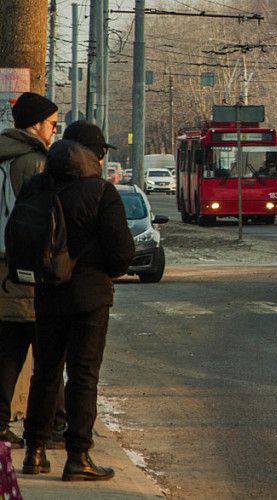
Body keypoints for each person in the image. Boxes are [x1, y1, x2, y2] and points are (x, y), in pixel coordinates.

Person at [21, 121, 134, 481]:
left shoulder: (36, 185)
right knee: (83, 376)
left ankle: (35, 453)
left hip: (46, 293)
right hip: (89, 297)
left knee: (45, 372)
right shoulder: (101, 192)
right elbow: (122, 254)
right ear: (93, 154)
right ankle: (78, 457)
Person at [0, 92, 67, 450]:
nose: (53, 132)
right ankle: (53, 427)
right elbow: (43, 223)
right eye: (52, 125)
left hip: (3, 271)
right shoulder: (35, 162)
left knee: (7, 353)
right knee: (49, 354)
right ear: (37, 124)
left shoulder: (3, 154)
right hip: (27, 271)